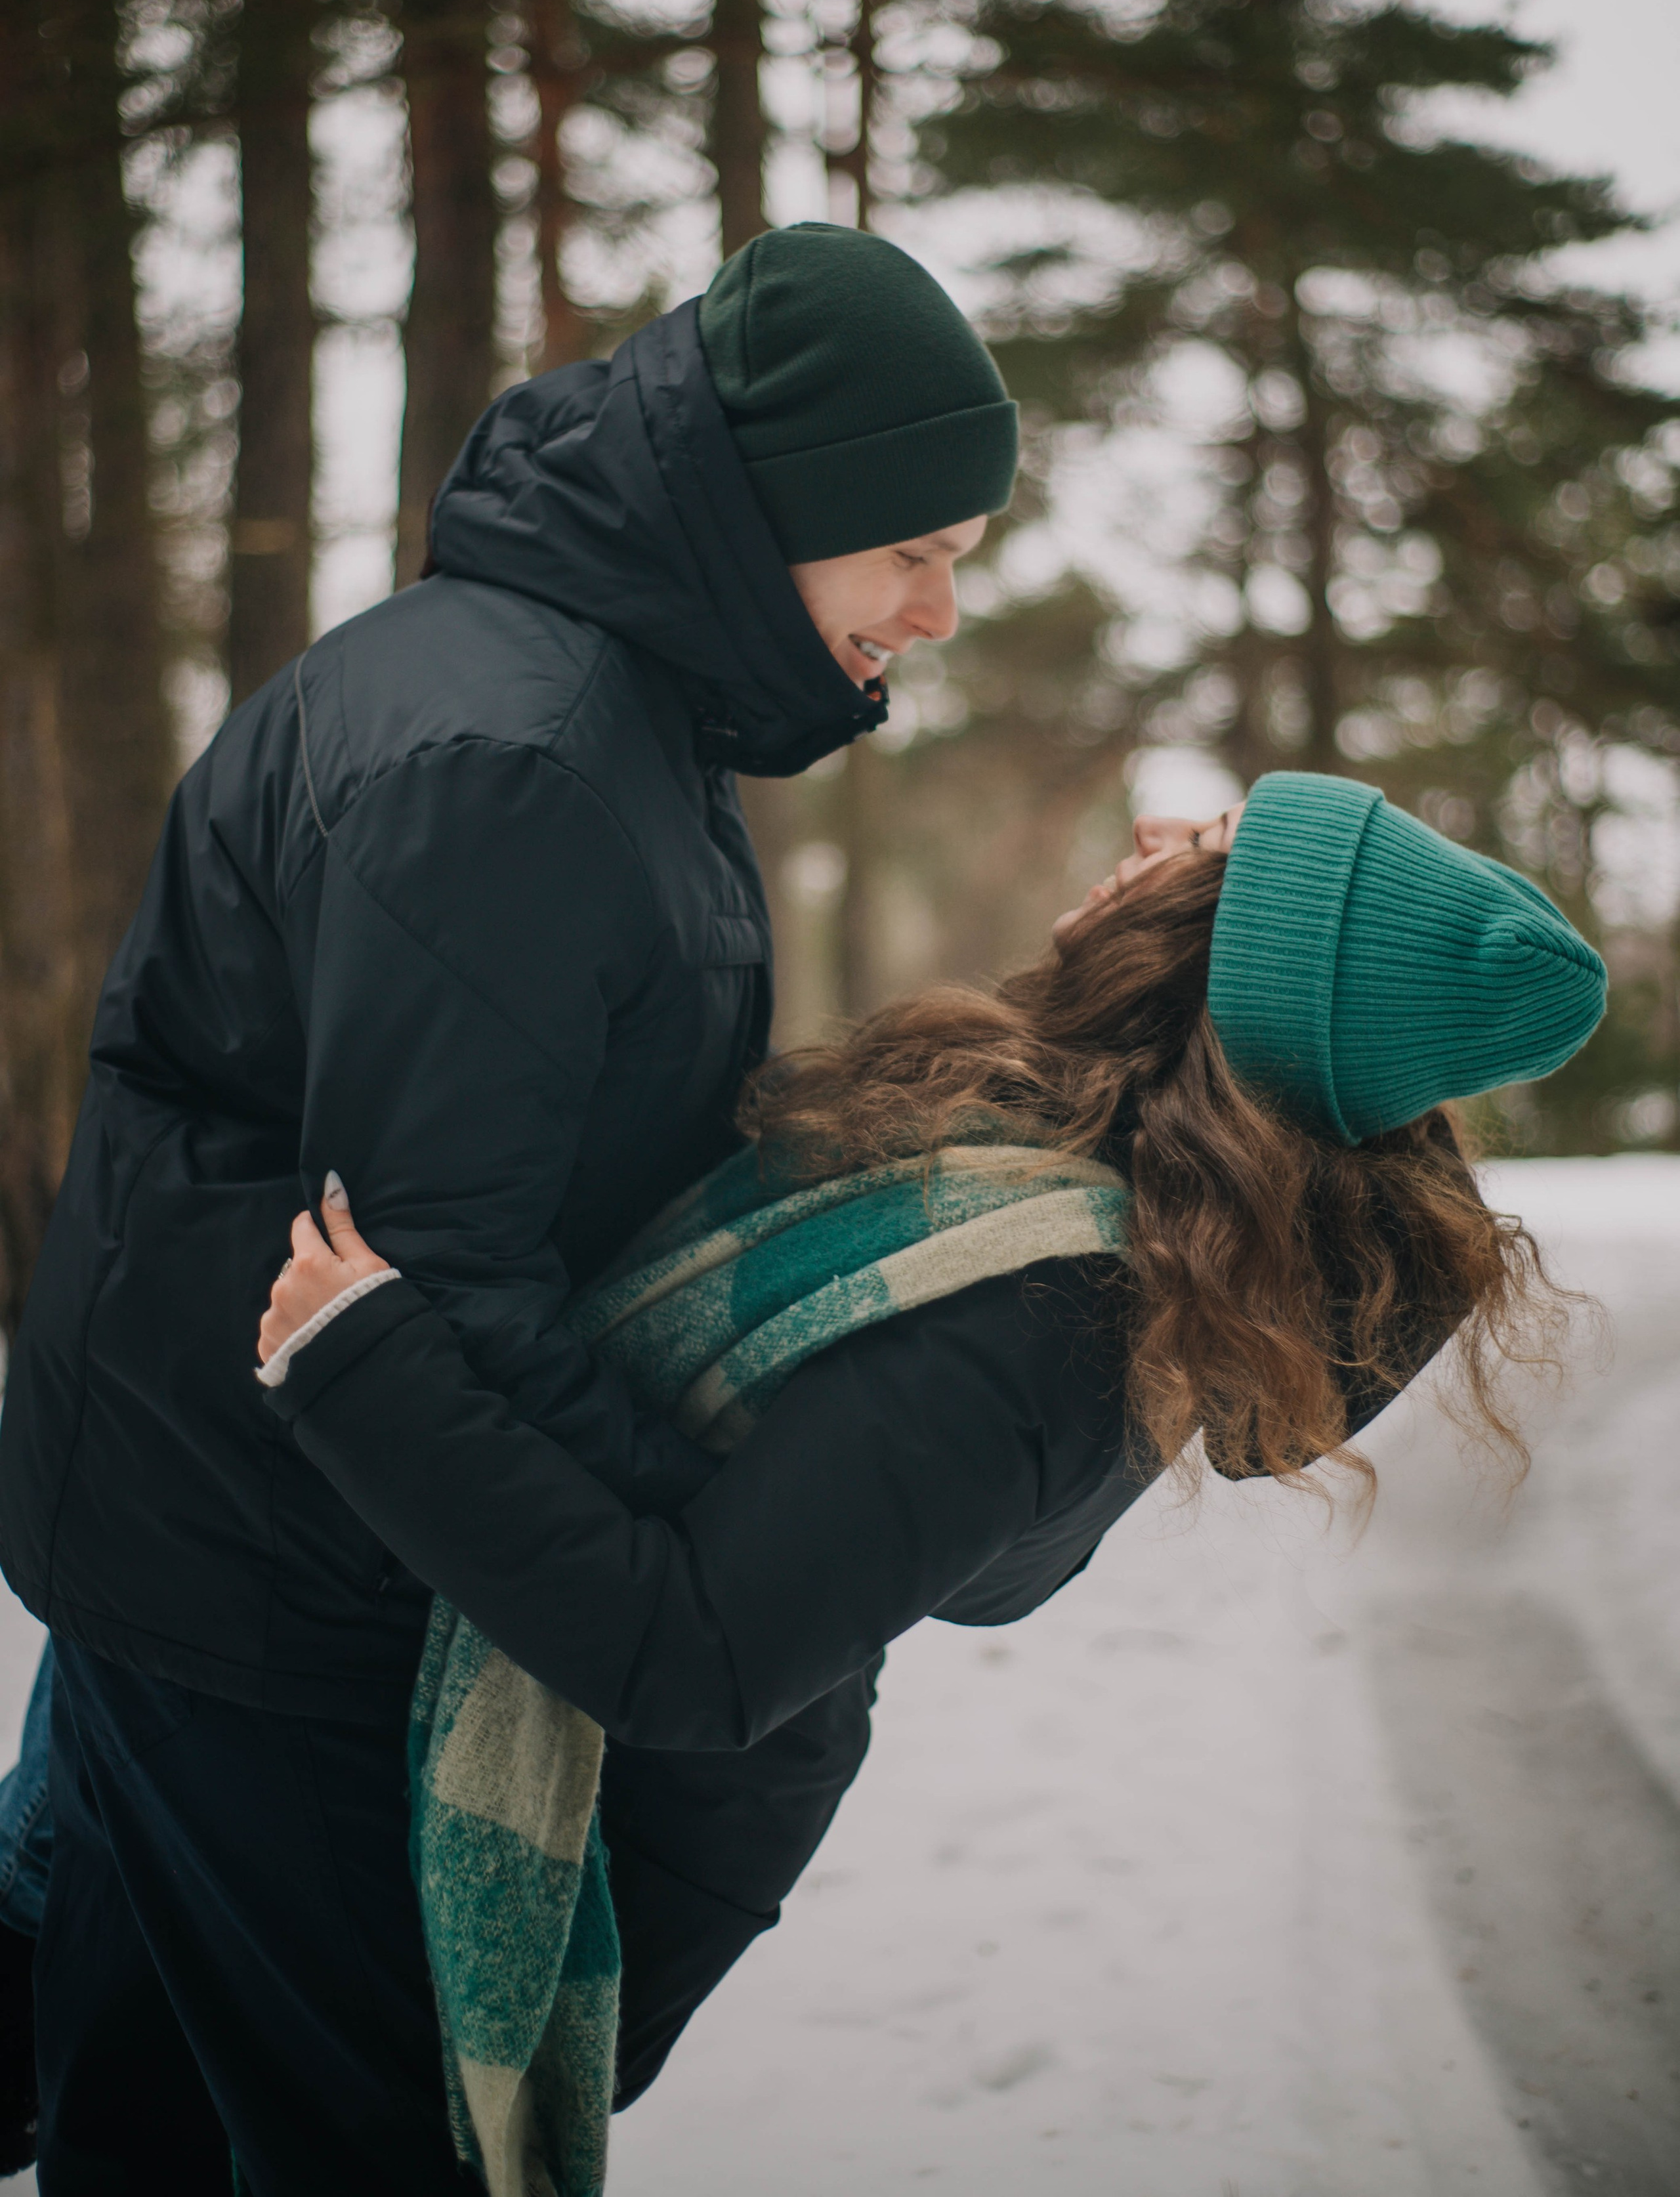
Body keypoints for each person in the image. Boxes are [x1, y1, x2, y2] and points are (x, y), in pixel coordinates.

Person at [0, 222, 1018, 2191]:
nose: (941, 607)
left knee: (157, 2102)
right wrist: (699, 1539)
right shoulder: (521, 759)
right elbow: (430, 1273)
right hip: (262, 1560)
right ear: (772, 511)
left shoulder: (605, 706)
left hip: (212, 1511)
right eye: (917, 548)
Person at [240, 771, 1599, 2179]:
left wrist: (369, 1376)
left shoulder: (1054, 1306)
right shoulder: (1020, 1159)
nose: (1147, 829)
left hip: (603, 1824)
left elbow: (692, 1662)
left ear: (1214, 963)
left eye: (1202, 847)